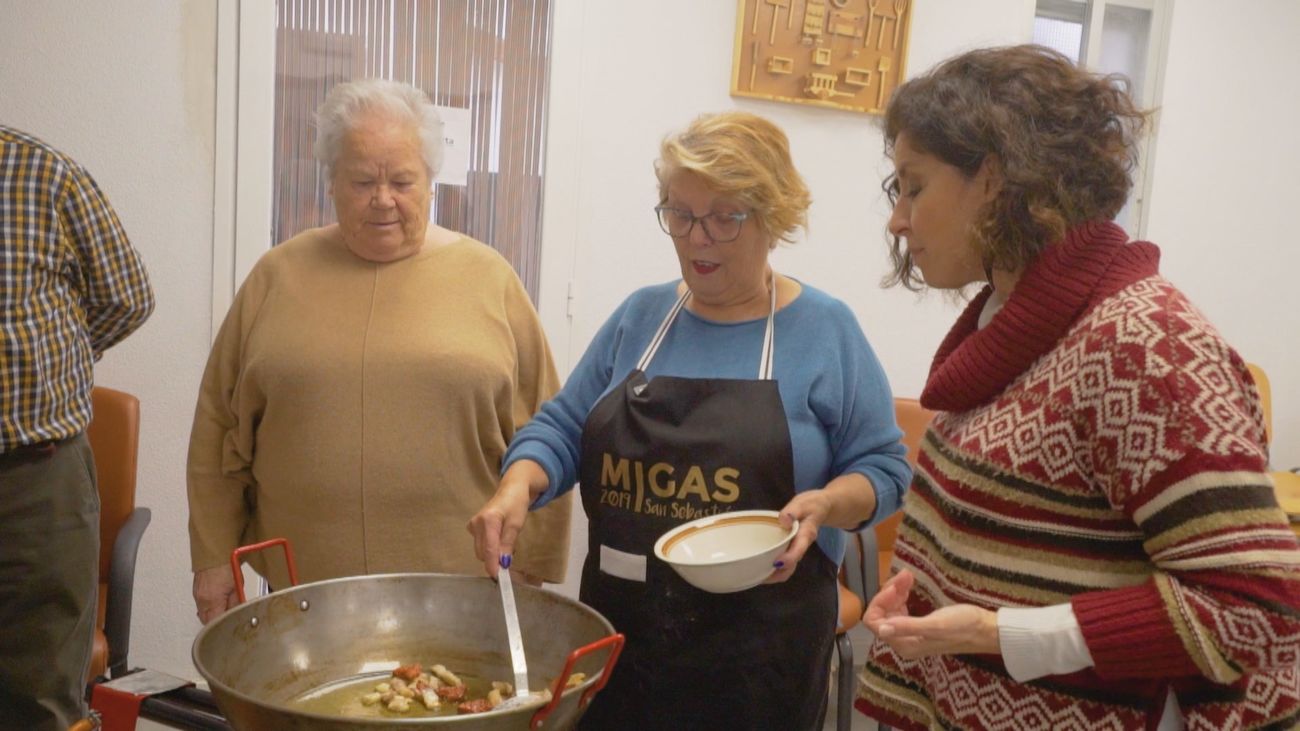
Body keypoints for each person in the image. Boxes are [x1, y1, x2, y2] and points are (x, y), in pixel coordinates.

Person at [856, 45, 1300, 730]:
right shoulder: (1009, 324)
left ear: (996, 179)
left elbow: (1257, 606)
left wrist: (1001, 633)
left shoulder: (1145, 344)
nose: (898, 218)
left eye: (913, 186)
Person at [469, 111, 911, 730]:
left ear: (773, 219)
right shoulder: (640, 318)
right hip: (622, 641)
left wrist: (831, 504)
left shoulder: (825, 331)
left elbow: (884, 466)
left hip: (762, 657)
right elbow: (565, 427)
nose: (696, 237)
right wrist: (518, 485)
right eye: (679, 214)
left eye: (724, 217)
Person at [187, 79, 571, 623]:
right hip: (302, 600)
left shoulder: (491, 279)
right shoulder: (277, 277)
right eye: (363, 180)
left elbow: (547, 429)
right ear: (332, 183)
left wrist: (534, 570)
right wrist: (212, 560)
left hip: (463, 598)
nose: (383, 199)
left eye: (403, 181)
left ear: (432, 183)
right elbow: (216, 431)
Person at [0, 126, 155, 730]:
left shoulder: (43, 174)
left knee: (40, 701)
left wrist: (48, 364)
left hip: (35, 481)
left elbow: (127, 297)